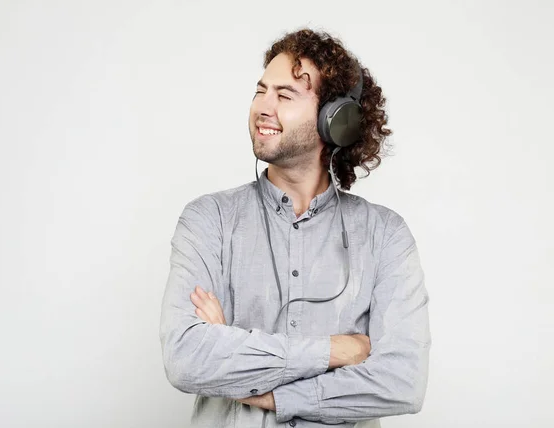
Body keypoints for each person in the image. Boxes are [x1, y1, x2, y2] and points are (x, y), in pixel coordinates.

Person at [159, 28, 431, 428]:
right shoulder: (208, 220)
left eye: (284, 96)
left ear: (335, 121)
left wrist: (267, 390)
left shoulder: (385, 235)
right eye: (260, 91)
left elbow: (402, 382)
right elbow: (186, 359)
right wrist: (338, 351)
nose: (262, 107)